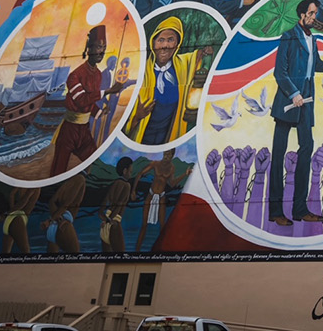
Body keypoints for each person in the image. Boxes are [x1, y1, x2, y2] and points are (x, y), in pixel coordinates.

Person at [268, 0, 323, 226]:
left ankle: (299, 209)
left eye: (316, 14)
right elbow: (279, 72)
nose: (315, 18)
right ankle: (276, 210)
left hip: (307, 100)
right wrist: (293, 93)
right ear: (301, 14)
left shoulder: (312, 40)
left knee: (307, 149)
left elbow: (316, 66)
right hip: (287, 100)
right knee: (278, 154)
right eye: (312, 14)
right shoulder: (289, 36)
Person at [126, 16, 212, 146]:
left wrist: (208, 50)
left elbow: (199, 55)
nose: (165, 46)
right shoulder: (141, 72)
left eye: (170, 40)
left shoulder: (182, 65)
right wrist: (137, 116)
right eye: (161, 40)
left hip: (168, 138)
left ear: (177, 44)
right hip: (142, 139)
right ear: (153, 43)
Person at [51, 25, 122, 176]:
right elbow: (82, 100)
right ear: (88, 49)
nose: (101, 52)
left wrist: (100, 112)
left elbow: (89, 103)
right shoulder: (75, 76)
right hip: (69, 131)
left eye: (104, 47)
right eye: (98, 47)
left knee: (93, 161)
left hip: (84, 130)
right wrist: (108, 91)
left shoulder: (98, 74)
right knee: (58, 169)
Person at [136, 148, 183, 251]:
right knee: (144, 225)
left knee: (162, 226)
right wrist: (133, 191)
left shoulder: (171, 168)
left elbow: (172, 183)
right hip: (151, 195)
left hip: (161, 197)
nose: (166, 156)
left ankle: (162, 249)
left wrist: (185, 174)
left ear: (172, 156)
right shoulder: (155, 164)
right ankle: (137, 251)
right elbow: (140, 174)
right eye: (165, 154)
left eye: (169, 155)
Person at [99, 157, 136, 253]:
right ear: (125, 171)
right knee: (121, 258)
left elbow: (102, 207)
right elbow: (119, 205)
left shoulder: (114, 183)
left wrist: (105, 220)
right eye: (130, 171)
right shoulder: (126, 185)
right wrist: (111, 220)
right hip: (114, 223)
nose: (131, 174)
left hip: (104, 226)